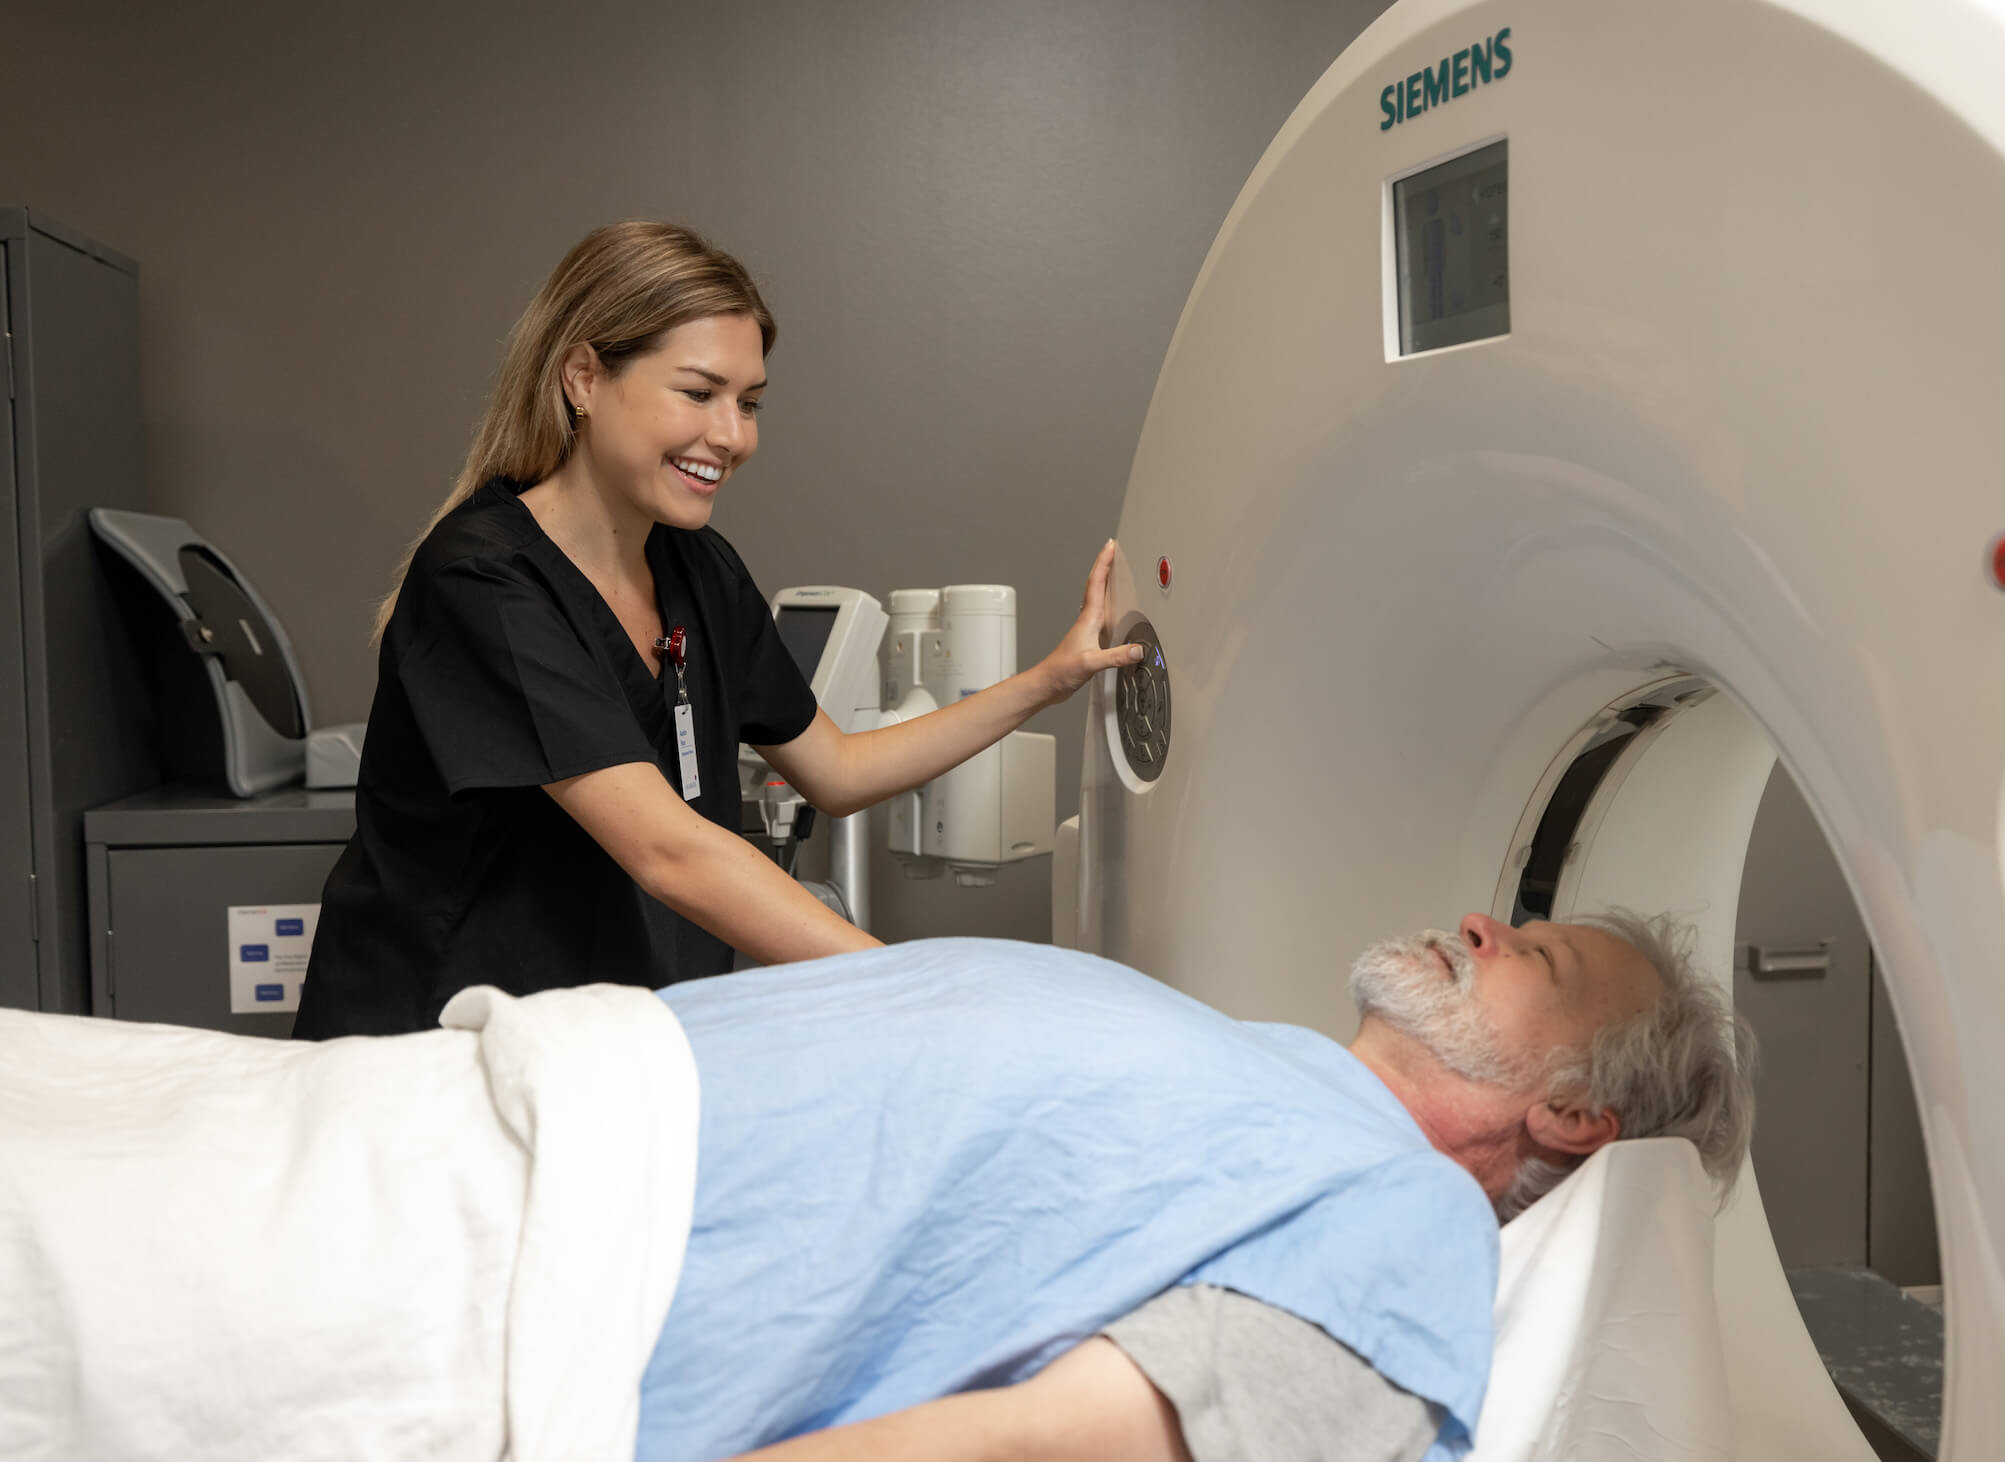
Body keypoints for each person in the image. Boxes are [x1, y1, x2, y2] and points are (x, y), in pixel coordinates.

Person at [0, 911, 1754, 1461]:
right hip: (494, 1110)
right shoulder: (1275, 1076)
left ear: (1573, 1113)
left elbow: (1055, 1443)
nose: (1478, 920)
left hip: (517, 1273)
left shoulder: (1416, 1234)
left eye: (1531, 954)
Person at [294, 221, 1141, 1037]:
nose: (733, 436)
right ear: (583, 378)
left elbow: (839, 770)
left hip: (603, 1040)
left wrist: (1049, 680)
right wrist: (915, 989)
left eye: (749, 402)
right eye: (698, 393)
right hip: (438, 1046)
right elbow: (669, 851)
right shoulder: (483, 581)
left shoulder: (696, 568)